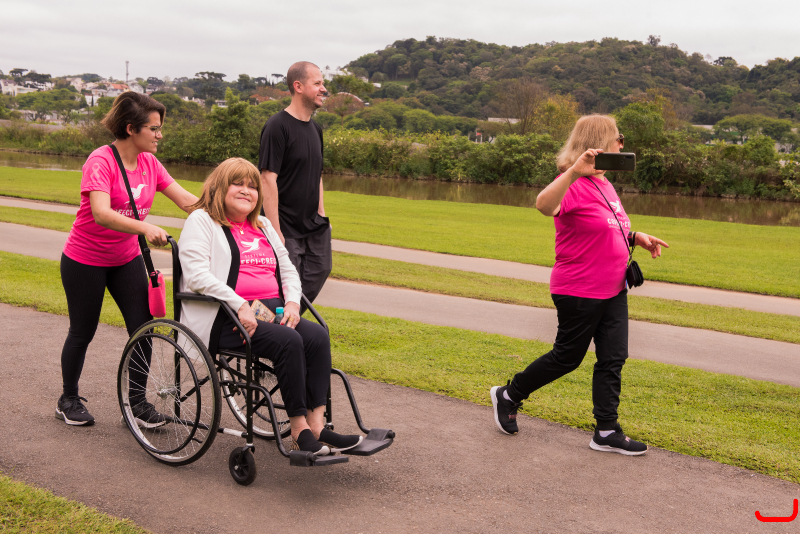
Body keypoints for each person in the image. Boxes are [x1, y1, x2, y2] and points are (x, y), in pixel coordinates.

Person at [490, 114, 669, 455]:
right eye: (618, 138)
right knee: (567, 358)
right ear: (601, 142)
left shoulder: (605, 184)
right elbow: (544, 205)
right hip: (579, 290)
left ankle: (606, 430)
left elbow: (602, 225)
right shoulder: (572, 182)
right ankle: (509, 395)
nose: (622, 145)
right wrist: (574, 171)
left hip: (613, 289)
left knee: (613, 357)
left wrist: (635, 236)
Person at [178, 157, 362, 455]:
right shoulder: (201, 221)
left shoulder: (262, 224)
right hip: (226, 317)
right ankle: (299, 431)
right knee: (288, 340)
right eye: (237, 183)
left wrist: (292, 303)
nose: (246, 190)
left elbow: (287, 269)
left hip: (270, 313)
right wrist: (239, 304)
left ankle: (318, 427)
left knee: (317, 336)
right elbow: (196, 275)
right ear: (219, 187)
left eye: (252, 186)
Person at [57, 92, 198, 426]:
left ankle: (136, 404)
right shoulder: (101, 161)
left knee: (143, 328)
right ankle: (68, 399)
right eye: (154, 128)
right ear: (132, 128)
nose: (160, 134)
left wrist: (231, 212)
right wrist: (144, 227)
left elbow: (186, 201)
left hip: (126, 259)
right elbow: (101, 213)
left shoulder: (150, 163)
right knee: (82, 331)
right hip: (85, 260)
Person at [258, 61, 331, 310]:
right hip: (285, 227)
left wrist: (321, 214)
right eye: (317, 83)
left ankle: (283, 322)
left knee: (320, 270)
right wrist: (275, 230)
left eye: (323, 83)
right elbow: (267, 179)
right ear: (298, 86)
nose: (323, 89)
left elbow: (317, 175)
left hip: (313, 226)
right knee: (286, 285)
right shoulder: (277, 126)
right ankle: (276, 325)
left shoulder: (316, 130)